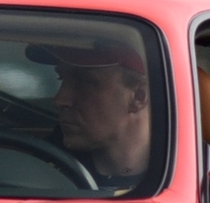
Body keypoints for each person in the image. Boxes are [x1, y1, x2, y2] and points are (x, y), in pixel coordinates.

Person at [29, 41, 153, 190]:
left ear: (139, 97)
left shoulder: (181, 175)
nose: (59, 100)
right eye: (61, 78)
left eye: (85, 82)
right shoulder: (40, 165)